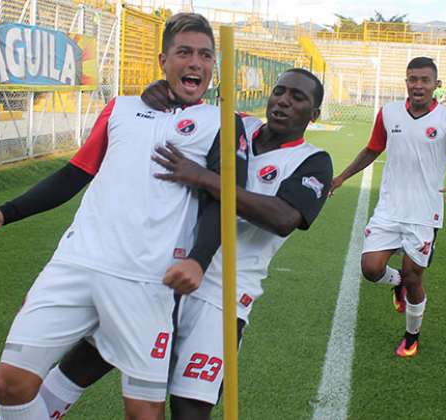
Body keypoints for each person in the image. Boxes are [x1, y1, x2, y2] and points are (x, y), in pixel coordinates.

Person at [0, 13, 248, 419]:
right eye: (184, 52)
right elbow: (74, 174)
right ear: (162, 60)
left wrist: (198, 260)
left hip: (147, 280)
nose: (196, 63)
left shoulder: (222, 122)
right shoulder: (121, 108)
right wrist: (4, 212)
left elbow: (223, 199)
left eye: (205, 55)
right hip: (76, 263)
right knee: (10, 383)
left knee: (143, 413)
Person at [30, 69, 333, 419]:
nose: (283, 101)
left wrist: (204, 178)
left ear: (314, 114)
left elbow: (283, 218)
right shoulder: (234, 125)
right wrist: (160, 91)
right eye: (280, 91)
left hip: (223, 294)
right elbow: (183, 107)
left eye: (298, 98)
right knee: (84, 364)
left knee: (190, 408)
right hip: (163, 270)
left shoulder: (314, 161)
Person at [330, 57, 446, 357]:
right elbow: (372, 150)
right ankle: (397, 284)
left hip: (424, 214)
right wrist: (340, 178)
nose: (418, 85)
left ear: (436, 85)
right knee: (370, 268)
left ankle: (411, 336)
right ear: (405, 81)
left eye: (424, 80)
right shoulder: (388, 114)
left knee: (415, 276)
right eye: (412, 79)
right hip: (389, 209)